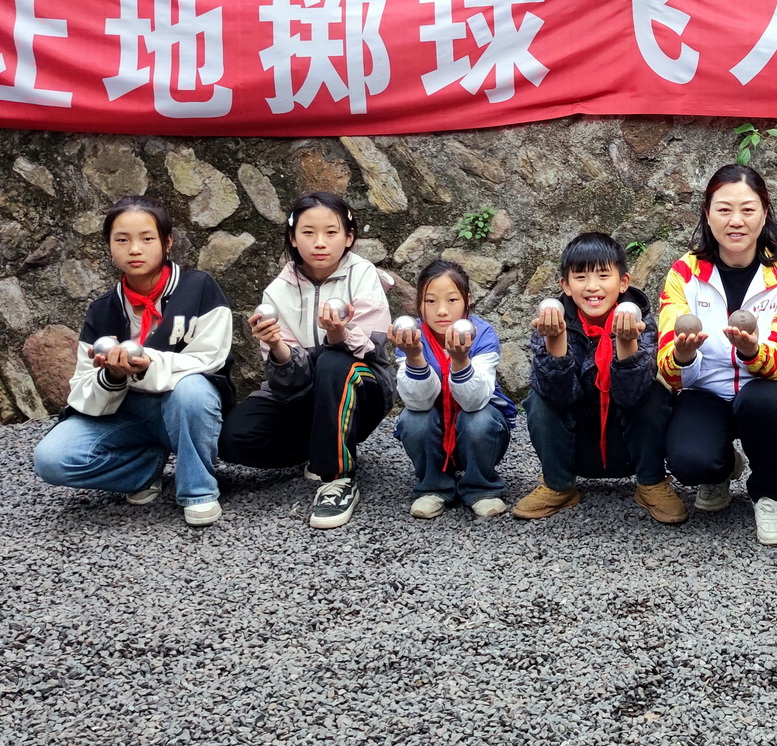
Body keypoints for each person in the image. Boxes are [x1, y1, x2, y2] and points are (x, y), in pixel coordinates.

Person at [33, 196, 234, 526]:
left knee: (194, 391)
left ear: (167, 242)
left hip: (180, 410)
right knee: (52, 459)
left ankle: (198, 491)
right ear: (109, 246)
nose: (135, 249)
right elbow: (81, 389)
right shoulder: (103, 309)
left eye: (147, 238)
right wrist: (113, 376)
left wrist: (147, 364)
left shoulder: (199, 288)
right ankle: (144, 469)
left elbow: (210, 359)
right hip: (126, 413)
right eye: (122, 240)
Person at [219, 192, 396, 531]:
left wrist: (337, 334)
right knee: (232, 439)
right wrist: (275, 344)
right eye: (308, 232)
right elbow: (288, 382)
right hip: (304, 393)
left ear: (349, 237)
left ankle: (337, 478)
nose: (320, 242)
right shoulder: (277, 292)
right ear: (293, 237)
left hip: (361, 386)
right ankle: (322, 445)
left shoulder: (363, 275)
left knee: (333, 362)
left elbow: (371, 348)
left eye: (331, 232)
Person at [656, 165, 777, 546]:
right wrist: (683, 355)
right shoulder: (684, 273)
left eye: (748, 209)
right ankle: (722, 468)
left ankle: (768, 493)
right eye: (724, 210)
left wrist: (752, 351)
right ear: (708, 215)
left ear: (764, 212)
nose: (736, 221)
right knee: (689, 462)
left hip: (763, 391)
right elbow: (668, 372)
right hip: (705, 392)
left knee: (766, 400)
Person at [516, 232, 679, 523]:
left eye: (603, 275)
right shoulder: (550, 321)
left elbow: (633, 396)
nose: (592, 286)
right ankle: (558, 485)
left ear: (623, 282)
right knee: (538, 400)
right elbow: (558, 397)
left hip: (625, 446)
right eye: (580, 277)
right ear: (565, 286)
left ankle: (651, 482)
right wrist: (555, 341)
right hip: (577, 445)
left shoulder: (641, 321)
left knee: (655, 395)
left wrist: (627, 345)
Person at [390, 258, 516, 519]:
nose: (441, 311)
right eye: (430, 301)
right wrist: (414, 357)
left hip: (476, 426)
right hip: (434, 425)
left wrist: (460, 362)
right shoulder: (411, 335)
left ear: (467, 300)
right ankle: (433, 486)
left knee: (480, 419)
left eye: (452, 300)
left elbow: (474, 401)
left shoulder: (482, 334)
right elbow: (417, 402)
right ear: (419, 303)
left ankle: (481, 487)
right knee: (413, 420)